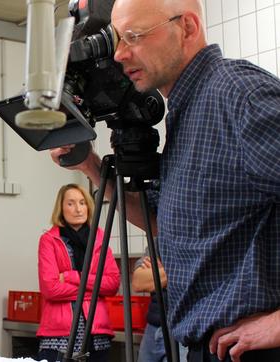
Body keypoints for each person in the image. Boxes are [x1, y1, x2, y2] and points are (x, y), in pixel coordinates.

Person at [50, 0, 280, 361]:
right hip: (208, 348)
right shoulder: (187, 113)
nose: (121, 54)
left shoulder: (239, 96)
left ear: (187, 27)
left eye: (134, 37)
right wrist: (91, 167)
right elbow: (157, 221)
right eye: (117, 40)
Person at [36, 184, 120, 362]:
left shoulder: (99, 239)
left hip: (97, 335)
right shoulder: (49, 240)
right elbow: (50, 288)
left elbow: (112, 284)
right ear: (61, 208)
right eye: (71, 203)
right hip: (58, 337)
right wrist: (94, 291)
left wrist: (70, 276)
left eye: (82, 203)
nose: (78, 209)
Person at [132, 249, 188, 362]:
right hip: (152, 329)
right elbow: (138, 282)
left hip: (184, 329)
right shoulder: (158, 242)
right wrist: (180, 272)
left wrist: (159, 272)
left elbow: (199, 272)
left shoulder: (196, 241)